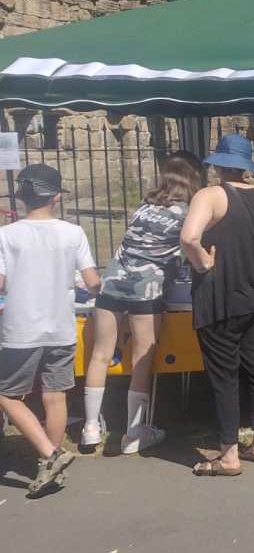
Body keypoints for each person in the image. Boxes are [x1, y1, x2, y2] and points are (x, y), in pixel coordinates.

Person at [81, 152, 205, 455]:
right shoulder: (186, 212)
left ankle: (90, 428)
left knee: (100, 353)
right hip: (147, 288)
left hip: (113, 281)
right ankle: (134, 432)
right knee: (141, 358)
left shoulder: (144, 206)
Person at [180, 134, 254, 477]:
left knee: (224, 376)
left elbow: (188, 238)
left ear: (219, 165)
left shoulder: (209, 196)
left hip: (220, 297)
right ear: (246, 167)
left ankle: (228, 454)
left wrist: (203, 263)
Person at [0, 164, 100, 496]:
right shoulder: (74, 233)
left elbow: (0, 282)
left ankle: (50, 454)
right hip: (61, 326)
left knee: (7, 394)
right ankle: (50, 464)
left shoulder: (6, 235)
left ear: (23, 199)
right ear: (56, 197)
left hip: (21, 328)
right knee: (55, 395)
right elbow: (92, 281)